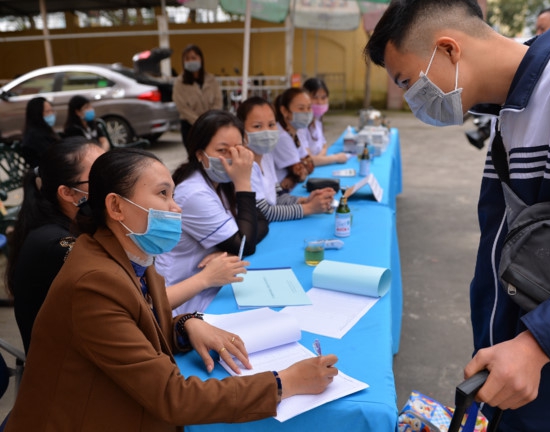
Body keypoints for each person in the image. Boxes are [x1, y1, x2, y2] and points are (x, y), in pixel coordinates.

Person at [364, 0, 550, 431]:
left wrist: (538, 344)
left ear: (448, 49)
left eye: (408, 82)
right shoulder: (510, 113)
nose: (411, 100)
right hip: (530, 369)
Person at [4, 148, 338, 431]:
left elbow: (139, 326)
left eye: (173, 194)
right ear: (116, 207)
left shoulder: (133, 254)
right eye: (163, 194)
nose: (176, 208)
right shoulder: (93, 283)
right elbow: (173, 397)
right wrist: (284, 383)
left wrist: (185, 325)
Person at [156, 110, 268, 315]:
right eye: (223, 150)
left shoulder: (221, 182)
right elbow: (246, 244)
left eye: (237, 149)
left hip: (212, 282)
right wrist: (243, 182)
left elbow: (260, 221)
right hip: (183, 298)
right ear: (200, 154)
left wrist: (228, 249)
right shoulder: (194, 193)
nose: (232, 157)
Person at [7, 140, 104, 353]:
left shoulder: (76, 220)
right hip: (64, 371)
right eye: (99, 177)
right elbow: (131, 298)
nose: (113, 181)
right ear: (68, 193)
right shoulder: (56, 245)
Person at [236, 96, 335, 221]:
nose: (267, 132)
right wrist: (309, 208)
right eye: (257, 126)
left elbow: (277, 197)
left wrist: (305, 200)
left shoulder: (266, 155)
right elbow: (263, 212)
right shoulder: (243, 165)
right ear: (240, 130)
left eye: (271, 124)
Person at [173, 44, 223, 149]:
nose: (191, 61)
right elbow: (182, 107)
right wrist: (199, 122)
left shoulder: (211, 80)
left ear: (200, 58)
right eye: (187, 58)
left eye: (194, 58)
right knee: (195, 158)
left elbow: (218, 102)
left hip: (211, 125)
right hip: (190, 127)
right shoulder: (179, 82)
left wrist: (209, 120)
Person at [271, 88, 315, 192]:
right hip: (278, 193)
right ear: (285, 111)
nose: (307, 113)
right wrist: (296, 174)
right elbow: (301, 173)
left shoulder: (295, 131)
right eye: (301, 108)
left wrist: (292, 178)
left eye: (309, 108)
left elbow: (310, 165)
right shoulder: (281, 136)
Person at [301, 77, 348, 166]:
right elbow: (307, 160)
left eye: (323, 97)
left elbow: (324, 146)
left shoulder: (318, 120)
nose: (320, 102)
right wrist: (336, 158)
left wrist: (319, 159)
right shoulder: (300, 126)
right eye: (315, 97)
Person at [20, 97, 61, 167]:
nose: (51, 114)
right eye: (47, 112)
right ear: (37, 114)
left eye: (52, 111)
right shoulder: (35, 137)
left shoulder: (45, 131)